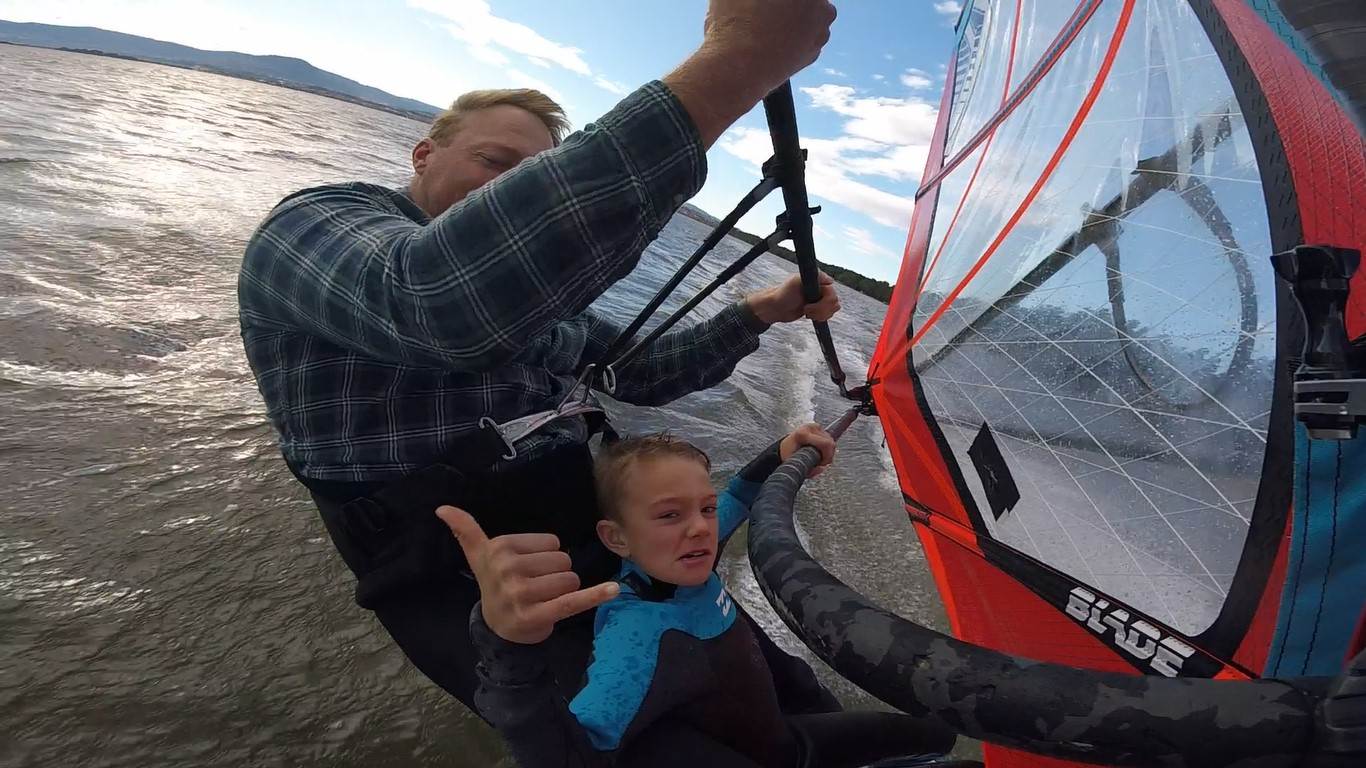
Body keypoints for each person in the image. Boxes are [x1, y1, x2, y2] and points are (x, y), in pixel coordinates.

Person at [237, 0, 846, 739]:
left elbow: (640, 373)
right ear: (425, 154)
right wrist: (737, 63)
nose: (507, 189)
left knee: (785, 695)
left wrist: (759, 311)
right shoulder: (312, 227)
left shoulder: (540, 309)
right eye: (495, 163)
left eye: (533, 176)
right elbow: (436, 303)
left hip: (603, 538)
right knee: (649, 744)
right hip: (473, 578)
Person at [446, 426, 956, 767]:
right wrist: (507, 650)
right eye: (670, 514)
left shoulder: (683, 559)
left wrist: (785, 449)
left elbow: (738, 496)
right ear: (615, 538)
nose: (700, 528)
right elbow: (568, 754)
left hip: (791, 729)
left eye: (704, 509)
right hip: (774, 757)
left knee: (939, 736)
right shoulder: (638, 635)